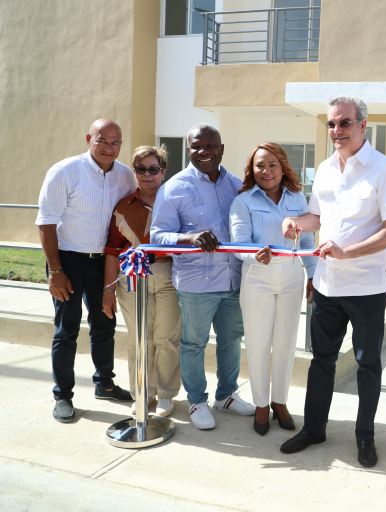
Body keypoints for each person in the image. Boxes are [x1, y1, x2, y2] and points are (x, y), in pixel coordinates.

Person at [278, 95, 386, 468]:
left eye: (344, 122)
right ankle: (314, 429)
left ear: (362, 125)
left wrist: (347, 252)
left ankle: (364, 437)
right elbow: (316, 217)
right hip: (327, 284)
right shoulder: (325, 168)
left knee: (367, 364)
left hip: (367, 287)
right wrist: (296, 223)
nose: (337, 130)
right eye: (332, 123)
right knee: (321, 360)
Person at [150, 124, 256, 430]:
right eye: (197, 146)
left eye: (210, 146)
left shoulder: (237, 185)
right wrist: (190, 237)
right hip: (197, 283)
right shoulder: (174, 187)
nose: (204, 151)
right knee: (194, 344)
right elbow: (158, 236)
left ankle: (226, 396)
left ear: (221, 149)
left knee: (231, 341)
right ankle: (197, 401)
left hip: (234, 279)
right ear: (188, 150)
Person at [37, 119, 136, 423]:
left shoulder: (125, 175)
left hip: (104, 261)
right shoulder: (65, 171)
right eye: (102, 140)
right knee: (67, 330)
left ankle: (104, 383)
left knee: (105, 324)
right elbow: (46, 222)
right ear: (88, 139)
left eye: (115, 142)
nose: (109, 147)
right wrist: (55, 270)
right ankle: (63, 395)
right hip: (67, 261)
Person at [229, 142, 316, 436]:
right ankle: (261, 404)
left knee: (286, 342)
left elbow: (307, 241)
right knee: (257, 343)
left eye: (272, 165)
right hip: (258, 275)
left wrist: (313, 275)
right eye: (260, 165)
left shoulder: (298, 199)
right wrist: (255, 255)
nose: (266, 171)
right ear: (252, 170)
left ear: (283, 167)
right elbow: (239, 243)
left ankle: (280, 402)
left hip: (292, 275)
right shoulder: (243, 201)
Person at [102, 145, 182, 418]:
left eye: (153, 169)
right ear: (134, 172)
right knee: (140, 339)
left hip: (169, 274)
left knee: (167, 338)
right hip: (132, 278)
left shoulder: (176, 201)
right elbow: (113, 250)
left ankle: (166, 394)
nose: (147, 174)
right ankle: (143, 393)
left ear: (163, 172)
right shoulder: (123, 206)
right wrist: (108, 290)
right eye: (140, 169)